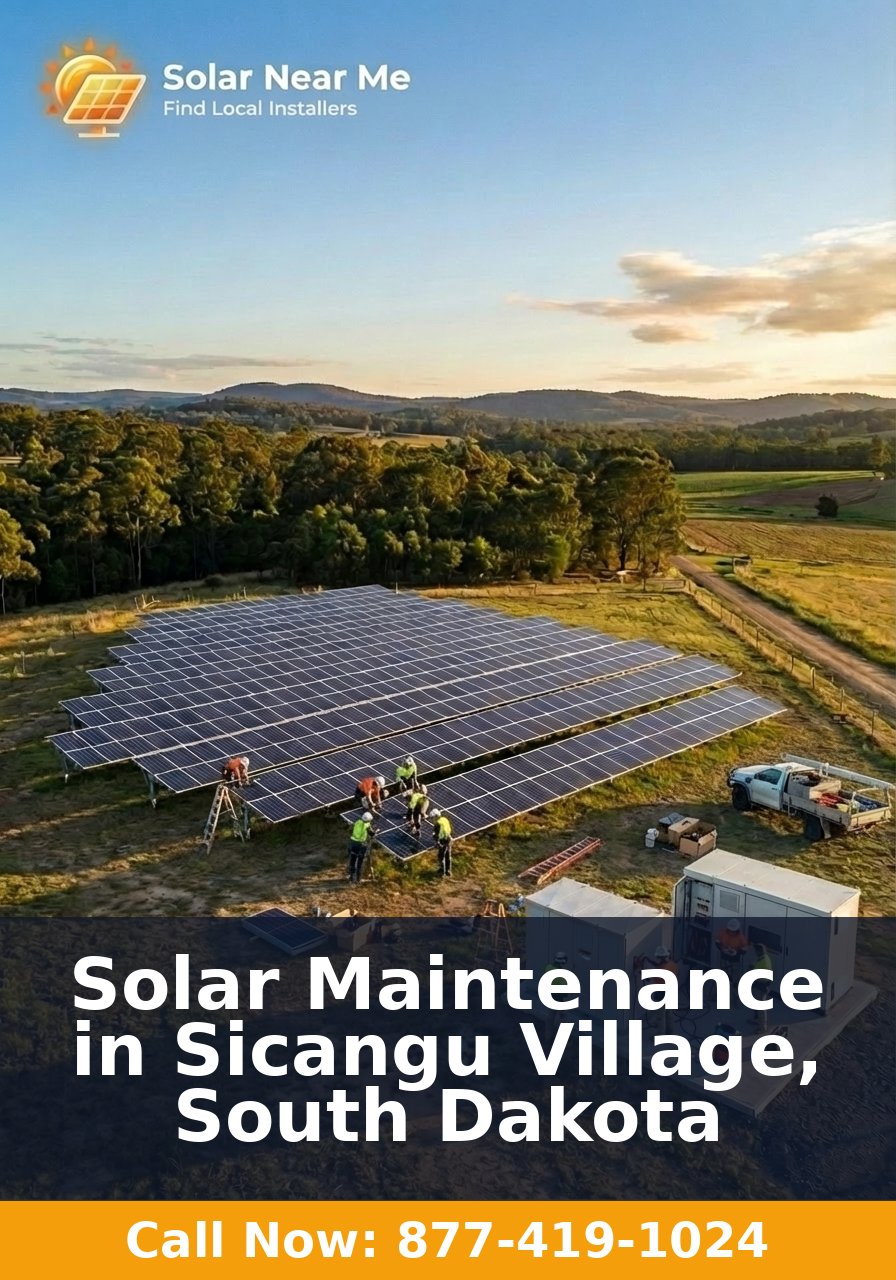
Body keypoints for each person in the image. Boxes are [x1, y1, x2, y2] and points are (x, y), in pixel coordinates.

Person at [347, 812, 374, 884]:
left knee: (352, 860)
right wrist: (375, 832)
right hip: (361, 844)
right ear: (368, 820)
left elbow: (351, 830)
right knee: (360, 862)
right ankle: (358, 879)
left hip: (352, 843)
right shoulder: (367, 825)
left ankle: (351, 877)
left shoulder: (357, 822)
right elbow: (371, 833)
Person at [430, 809, 453, 877]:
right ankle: (448, 871)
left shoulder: (437, 824)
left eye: (432, 818)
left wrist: (437, 843)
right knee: (448, 856)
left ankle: (442, 872)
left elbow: (436, 835)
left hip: (443, 841)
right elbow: (449, 828)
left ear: (436, 816)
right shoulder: (444, 819)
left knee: (441, 856)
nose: (432, 819)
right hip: (449, 839)